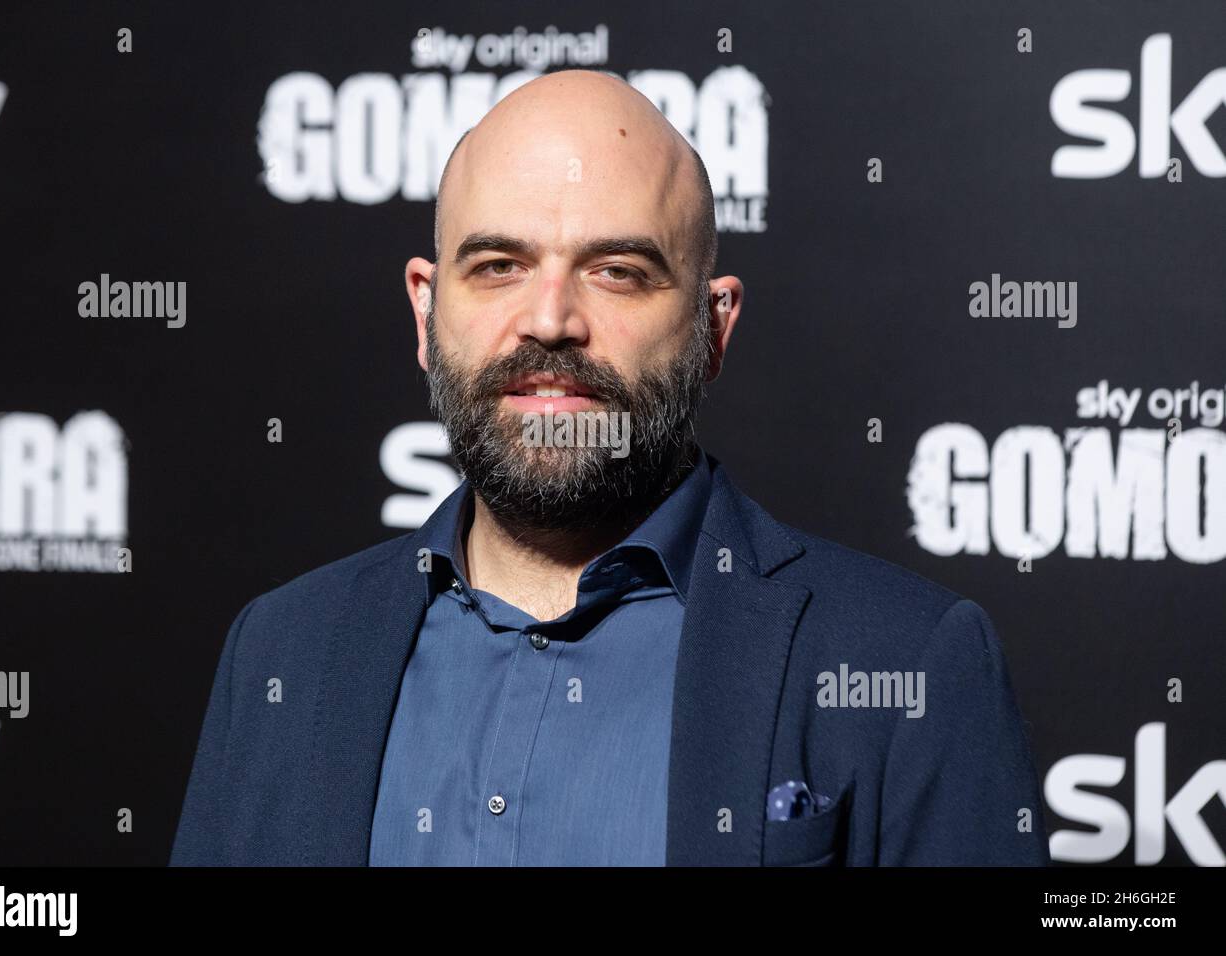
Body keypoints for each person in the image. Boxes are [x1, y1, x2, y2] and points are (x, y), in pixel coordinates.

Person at [170, 69, 1050, 866]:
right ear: (426, 310)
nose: (550, 320)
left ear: (714, 327)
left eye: (618, 271)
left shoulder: (910, 664)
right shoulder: (282, 651)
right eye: (499, 265)